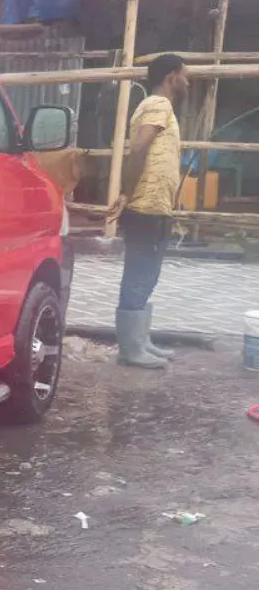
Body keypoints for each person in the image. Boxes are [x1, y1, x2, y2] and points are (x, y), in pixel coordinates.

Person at [109, 53, 190, 369]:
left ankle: (140, 341)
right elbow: (140, 148)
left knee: (148, 274)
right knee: (139, 275)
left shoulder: (160, 107)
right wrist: (127, 193)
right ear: (171, 77)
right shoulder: (158, 104)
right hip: (145, 207)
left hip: (156, 206)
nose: (187, 82)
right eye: (184, 75)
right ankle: (131, 349)